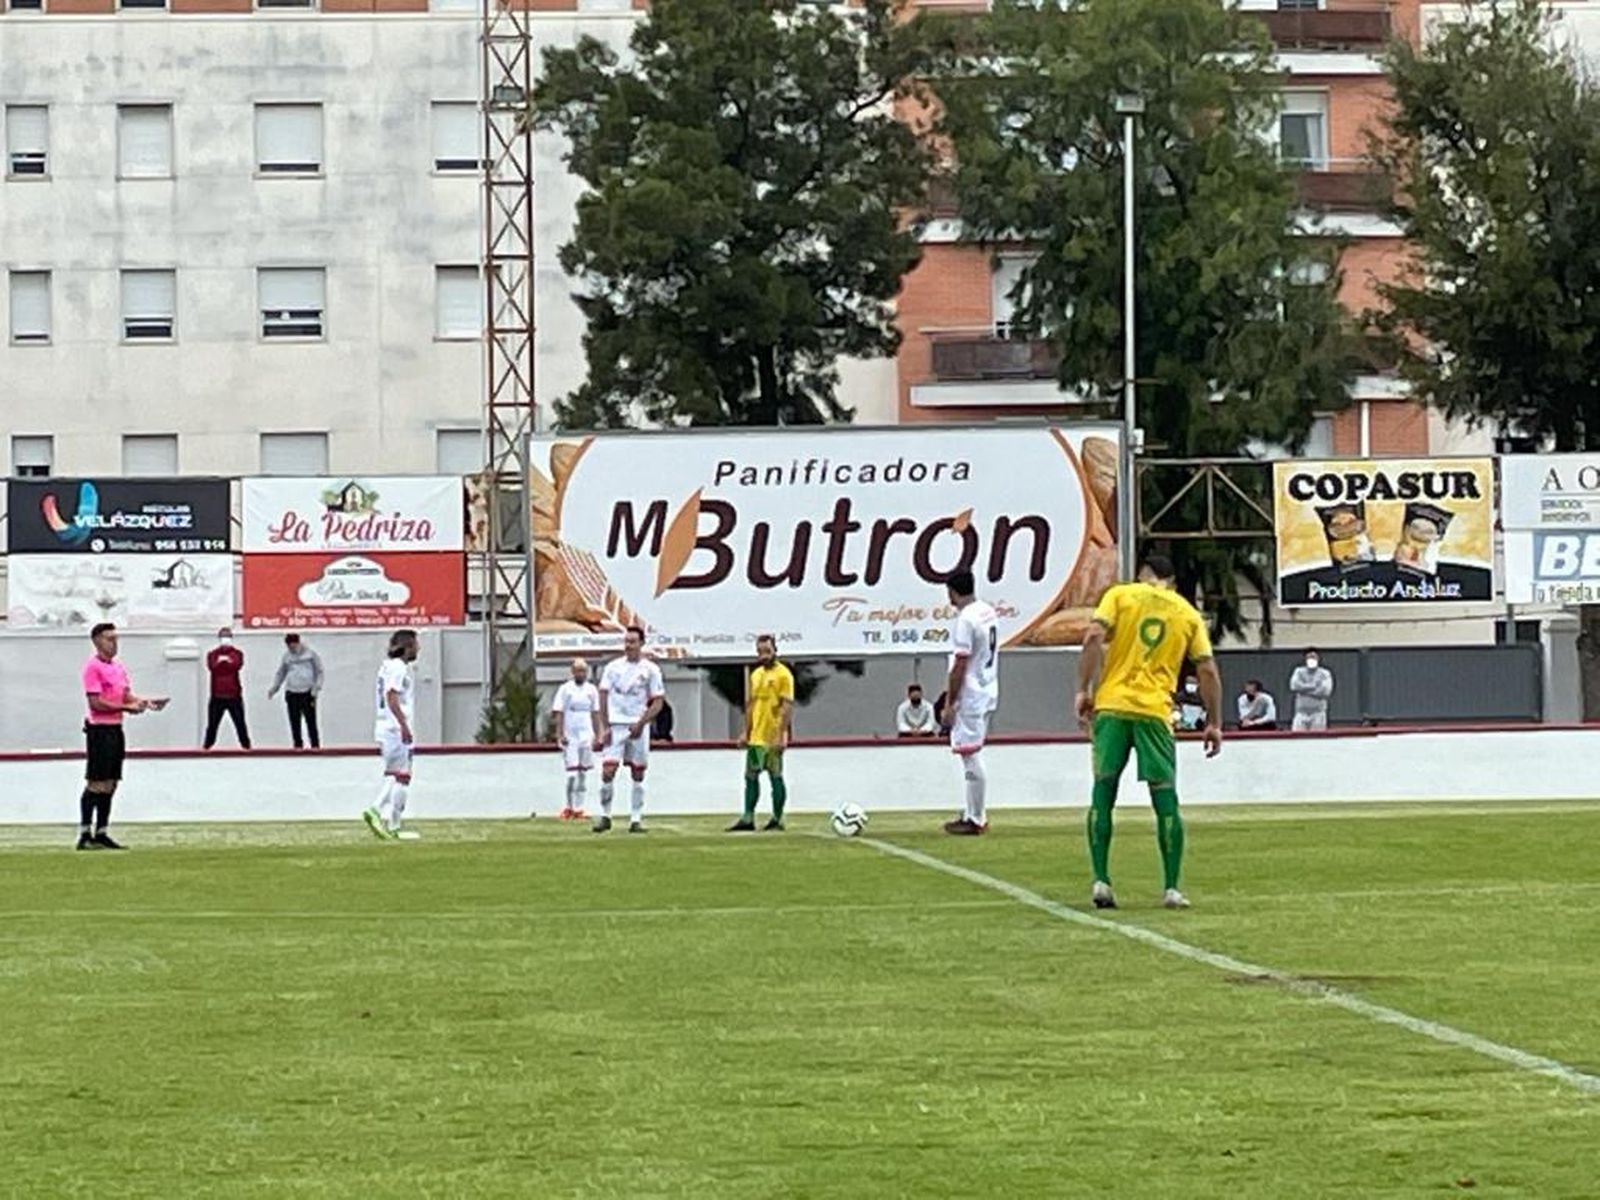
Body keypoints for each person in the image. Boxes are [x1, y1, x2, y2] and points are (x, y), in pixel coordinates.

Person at [1075, 553, 1221, 911]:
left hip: (1112, 706)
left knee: (1103, 792)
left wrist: (1083, 689)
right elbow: (1207, 670)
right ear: (1169, 581)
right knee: (1165, 798)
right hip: (1155, 711)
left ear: (1144, 575)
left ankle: (1101, 880)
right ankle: (1171, 888)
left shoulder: (1120, 596)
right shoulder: (1186, 613)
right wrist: (1214, 722)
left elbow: (1094, 635)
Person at [78, 622, 168, 850]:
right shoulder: (92, 668)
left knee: (111, 783)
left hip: (115, 729)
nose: (114, 643)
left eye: (116, 639)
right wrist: (127, 708)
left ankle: (102, 832)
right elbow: (96, 703)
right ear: (97, 641)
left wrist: (144, 702)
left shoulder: (118, 668)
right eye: (109, 639)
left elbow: (126, 696)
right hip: (99, 729)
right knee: (97, 782)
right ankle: (85, 833)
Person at [939, 569, 999, 836]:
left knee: (969, 753)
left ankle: (976, 818)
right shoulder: (986, 611)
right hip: (988, 687)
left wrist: (950, 702)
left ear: (952, 592)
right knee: (971, 753)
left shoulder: (965, 620)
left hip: (972, 693)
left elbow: (960, 663)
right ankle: (972, 810)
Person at [593, 625, 665, 834]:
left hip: (638, 727)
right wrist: (604, 727)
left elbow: (657, 702)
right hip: (616, 725)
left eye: (633, 642)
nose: (629, 646)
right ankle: (605, 816)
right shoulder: (613, 668)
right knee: (608, 771)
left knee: (638, 773)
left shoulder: (651, 670)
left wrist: (641, 723)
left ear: (641, 644)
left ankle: (635, 819)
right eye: (626, 641)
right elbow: (603, 696)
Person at [728, 634, 794, 832]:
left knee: (776, 776)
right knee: (751, 776)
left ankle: (777, 817)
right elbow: (750, 706)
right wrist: (745, 733)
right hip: (756, 738)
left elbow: (787, 706)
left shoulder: (784, 675)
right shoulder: (755, 675)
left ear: (775, 650)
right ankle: (748, 817)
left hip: (772, 736)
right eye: (760, 652)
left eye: (767, 651)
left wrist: (782, 735)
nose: (763, 655)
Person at [363, 629, 419, 840]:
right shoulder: (398, 668)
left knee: (400, 776)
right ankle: (376, 809)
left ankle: (394, 826)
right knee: (399, 774)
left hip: (385, 726)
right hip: (395, 728)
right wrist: (403, 724)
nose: (418, 649)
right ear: (407, 647)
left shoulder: (386, 667)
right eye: (415, 645)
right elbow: (391, 696)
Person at [552, 658, 602, 822]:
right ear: (573, 672)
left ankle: (579, 808)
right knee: (571, 774)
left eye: (584, 671)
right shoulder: (565, 689)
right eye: (578, 670)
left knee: (583, 774)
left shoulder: (592, 690)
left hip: (586, 735)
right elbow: (559, 712)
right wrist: (560, 734)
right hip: (570, 735)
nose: (581, 674)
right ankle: (569, 806)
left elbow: (595, 713)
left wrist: (598, 734)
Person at [268, 633, 324, 749]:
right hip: (292, 693)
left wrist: (316, 688)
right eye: (289, 647)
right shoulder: (287, 657)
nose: (292, 649)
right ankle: (298, 747)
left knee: (311, 723)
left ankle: (315, 747)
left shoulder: (311, 654)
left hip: (308, 693)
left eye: (293, 646)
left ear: (298, 643)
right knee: (295, 723)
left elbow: (319, 672)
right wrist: (275, 687)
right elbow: (281, 673)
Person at [203, 627, 251, 750]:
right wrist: (224, 663)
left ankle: (247, 748)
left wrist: (225, 662)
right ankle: (206, 749)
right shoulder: (212, 654)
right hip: (217, 696)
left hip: (233, 696)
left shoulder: (237, 653)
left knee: (240, 724)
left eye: (228, 636)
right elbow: (213, 666)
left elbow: (236, 665)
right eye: (223, 636)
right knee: (212, 726)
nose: (226, 639)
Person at [1289, 650, 1334, 731]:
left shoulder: (1325, 673)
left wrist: (1303, 691)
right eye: (1309, 657)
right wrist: (1313, 686)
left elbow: (1325, 691)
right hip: (1301, 713)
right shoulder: (1298, 671)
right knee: (1297, 738)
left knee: (1317, 740)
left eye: (1314, 657)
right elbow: (1294, 686)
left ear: (1318, 659)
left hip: (1318, 713)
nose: (1311, 659)